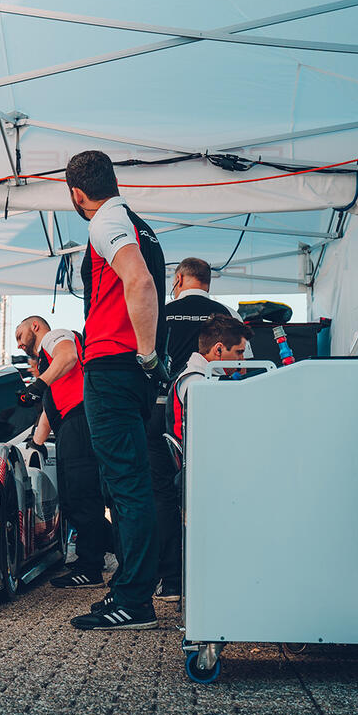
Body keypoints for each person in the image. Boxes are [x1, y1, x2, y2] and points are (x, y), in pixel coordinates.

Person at [63, 150, 168, 632]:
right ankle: (130, 589)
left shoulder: (105, 221)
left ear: (77, 194)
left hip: (115, 365)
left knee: (127, 486)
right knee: (129, 484)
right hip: (130, 370)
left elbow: (140, 282)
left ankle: (133, 600)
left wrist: (146, 356)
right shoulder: (138, 223)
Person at [147, 257, 239, 601]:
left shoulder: (162, 311)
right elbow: (241, 363)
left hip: (160, 410)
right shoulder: (226, 314)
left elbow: (145, 355)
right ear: (208, 281)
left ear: (180, 278)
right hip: (210, 413)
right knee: (210, 493)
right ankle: (211, 575)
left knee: (162, 495)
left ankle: (170, 581)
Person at [14, 316, 108, 588]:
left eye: (20, 335)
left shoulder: (55, 337)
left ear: (35, 327)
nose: (19, 344)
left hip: (78, 422)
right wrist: (34, 445)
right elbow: (47, 410)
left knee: (82, 496)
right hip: (69, 425)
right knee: (72, 499)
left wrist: (38, 385)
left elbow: (69, 355)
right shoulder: (47, 363)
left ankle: (91, 567)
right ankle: (97, 556)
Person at [167, 314, 252, 443]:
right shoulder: (195, 380)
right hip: (200, 458)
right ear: (218, 349)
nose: (242, 360)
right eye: (238, 352)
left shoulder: (200, 375)